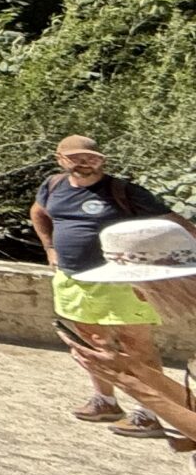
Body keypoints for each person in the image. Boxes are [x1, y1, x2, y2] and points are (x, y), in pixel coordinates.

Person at [32, 135, 182, 437]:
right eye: (76, 157)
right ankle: (106, 401)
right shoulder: (53, 186)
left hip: (122, 281)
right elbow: (38, 213)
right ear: (60, 159)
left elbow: (174, 223)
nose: (85, 163)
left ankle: (150, 413)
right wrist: (50, 247)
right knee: (92, 343)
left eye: (91, 157)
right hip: (73, 279)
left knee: (136, 345)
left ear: (102, 160)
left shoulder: (123, 191)